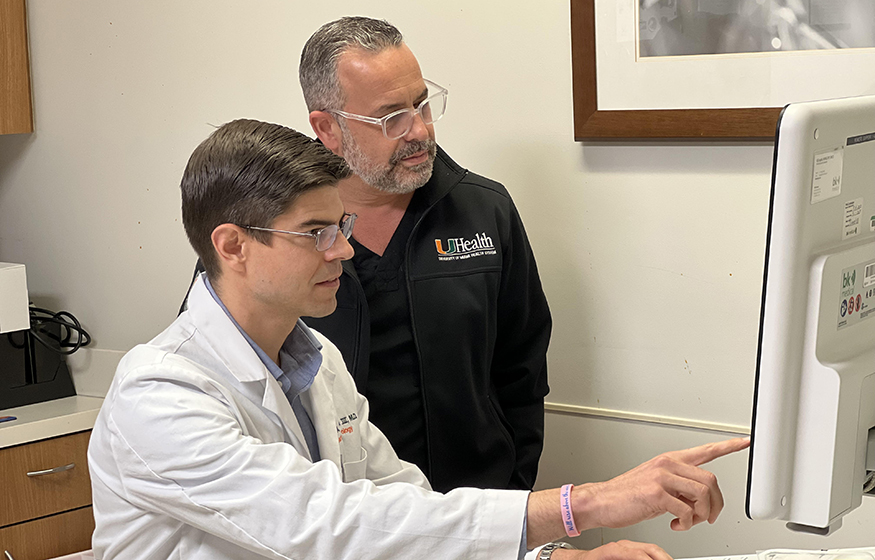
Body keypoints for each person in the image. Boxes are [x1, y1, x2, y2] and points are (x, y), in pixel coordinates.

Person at [89, 119, 749, 560]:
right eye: (315, 232)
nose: (343, 250)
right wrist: (585, 505)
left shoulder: (318, 366)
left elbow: (401, 508)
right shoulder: (161, 393)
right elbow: (330, 526)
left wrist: (550, 557)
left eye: (341, 225)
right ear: (232, 246)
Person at [298, 16, 553, 493]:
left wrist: (513, 491)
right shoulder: (272, 231)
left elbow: (523, 371)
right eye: (391, 116)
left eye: (422, 104)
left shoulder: (484, 211)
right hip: (339, 522)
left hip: (476, 508)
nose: (418, 129)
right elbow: (228, 370)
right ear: (327, 128)